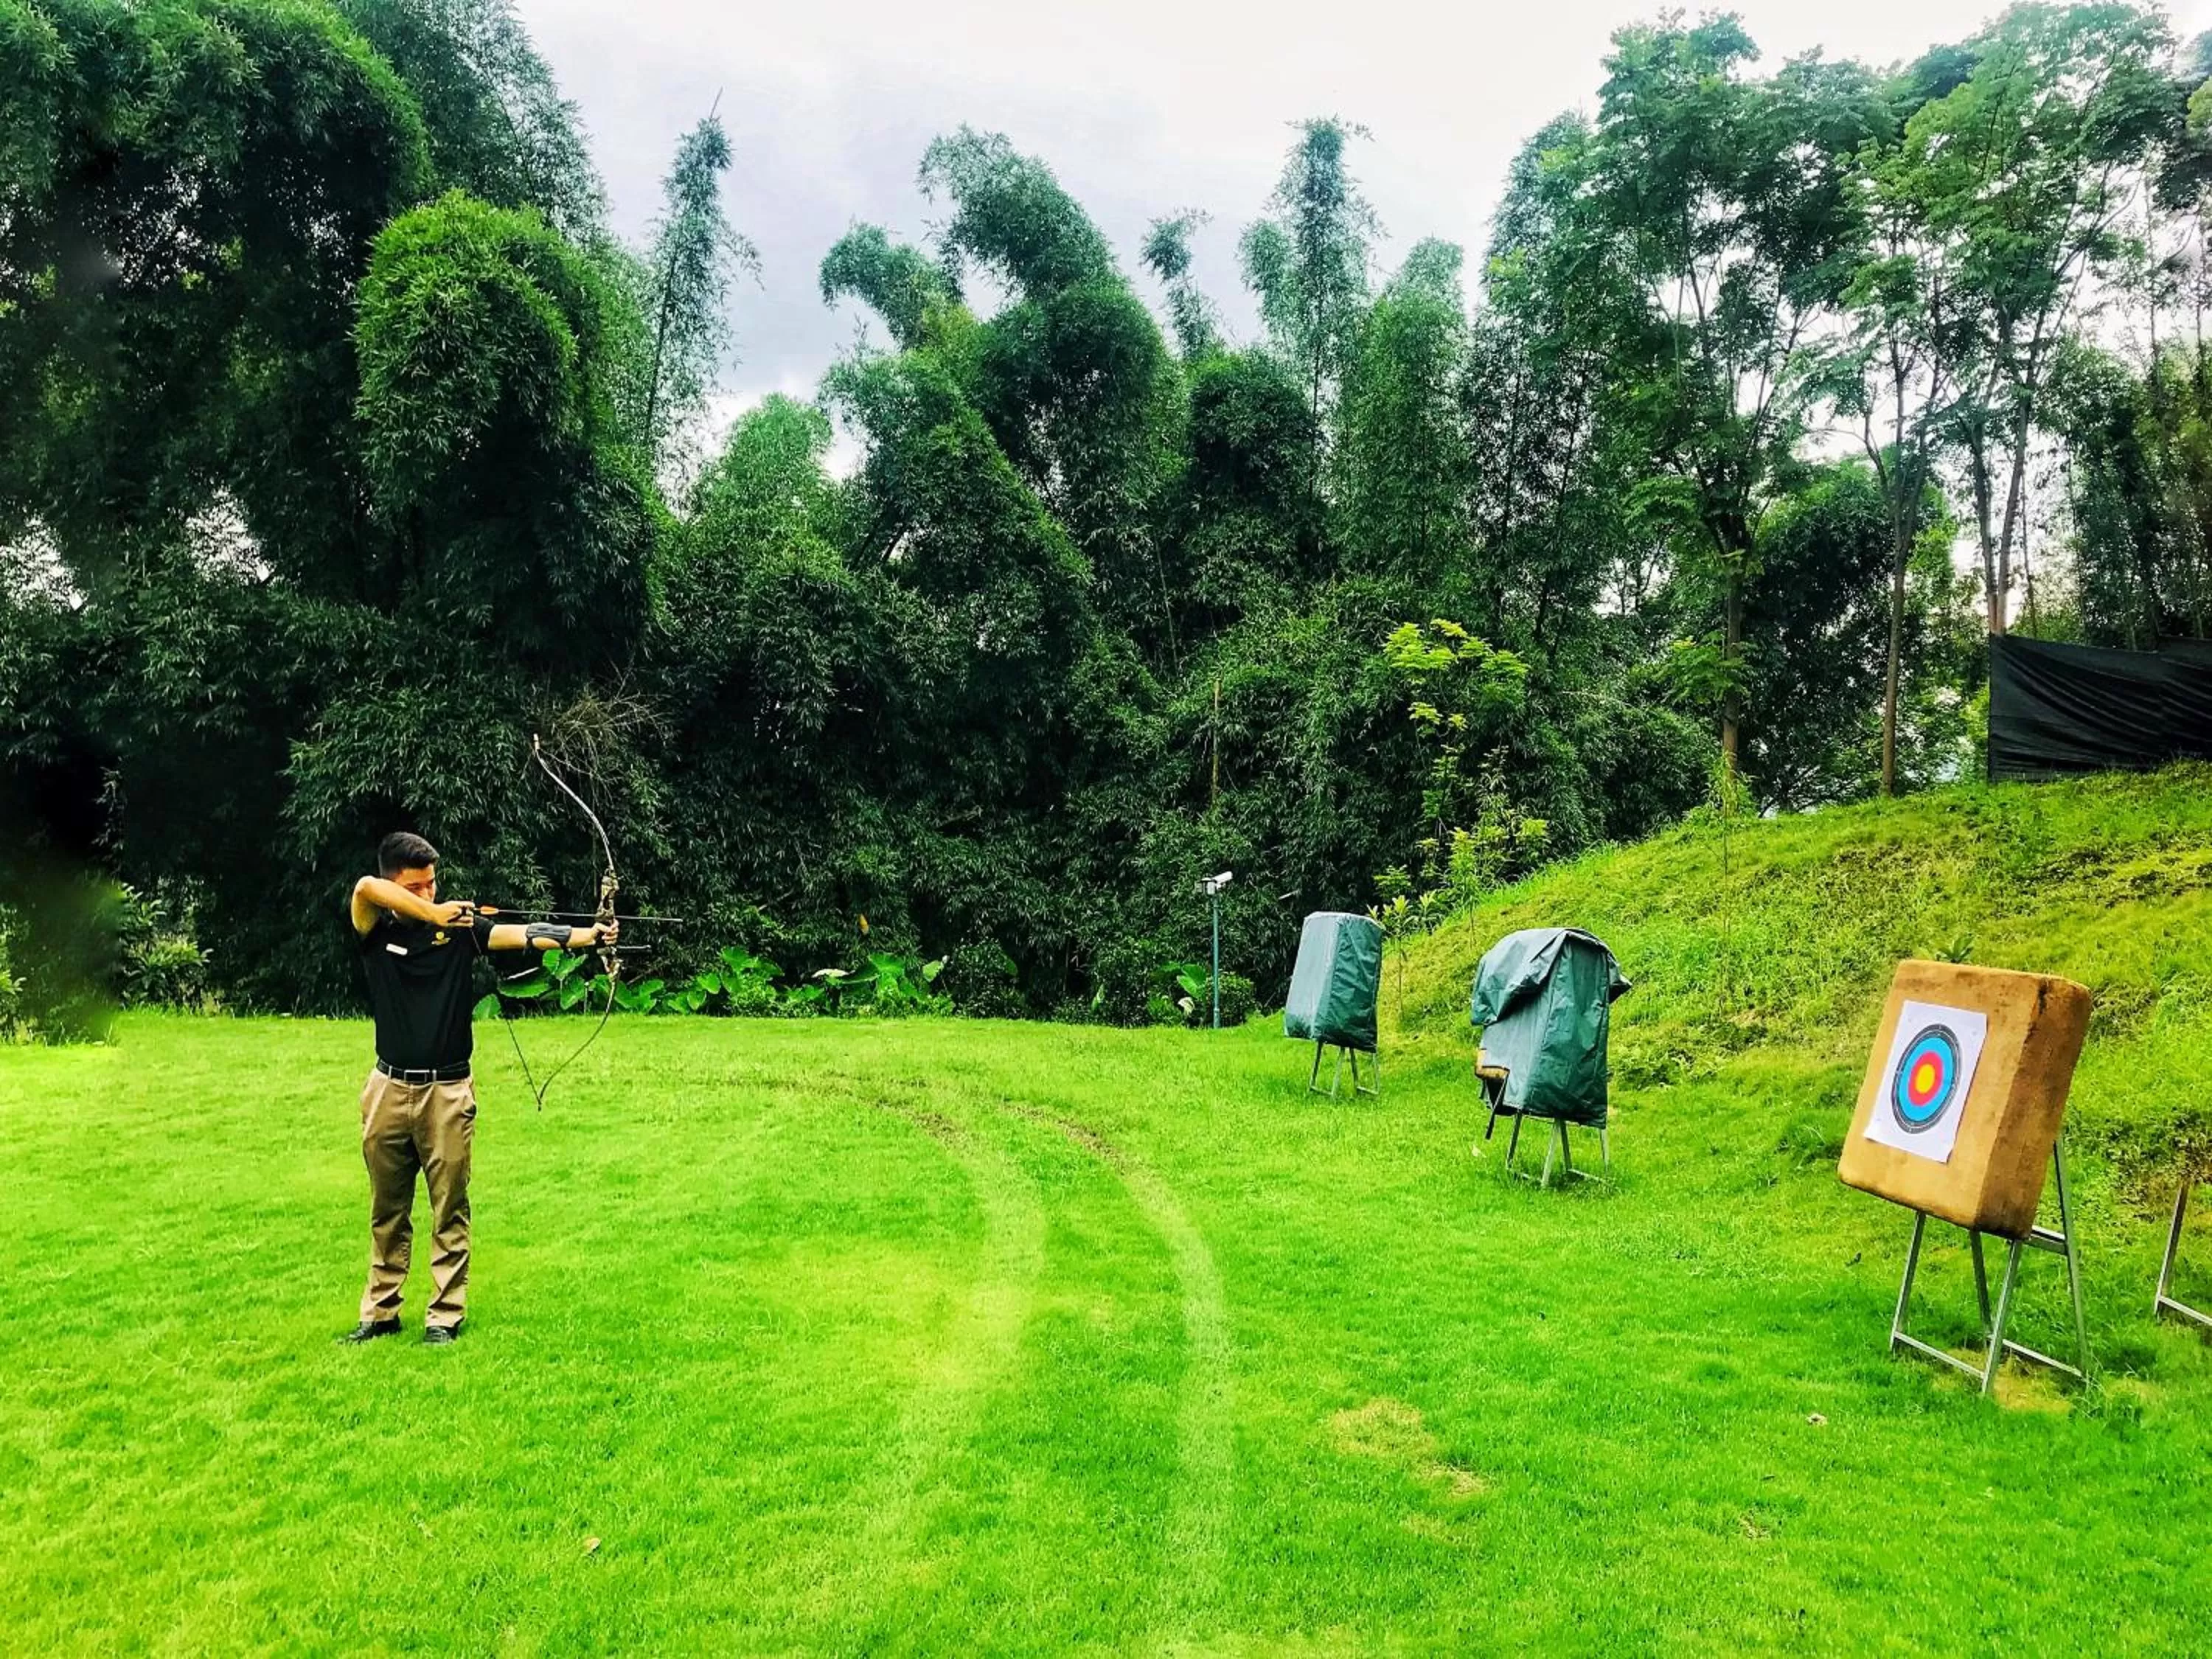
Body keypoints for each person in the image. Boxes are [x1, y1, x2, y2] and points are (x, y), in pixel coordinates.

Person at [341, 831, 616, 1345]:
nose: (429, 894)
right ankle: (380, 1314)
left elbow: (524, 933)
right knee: (388, 1208)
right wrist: (432, 912)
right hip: (387, 1087)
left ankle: (444, 1316)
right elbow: (364, 889)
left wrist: (590, 936)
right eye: (417, 886)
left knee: (449, 1206)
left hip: (446, 1091)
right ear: (394, 884)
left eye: (433, 885)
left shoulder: (461, 931)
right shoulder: (374, 929)